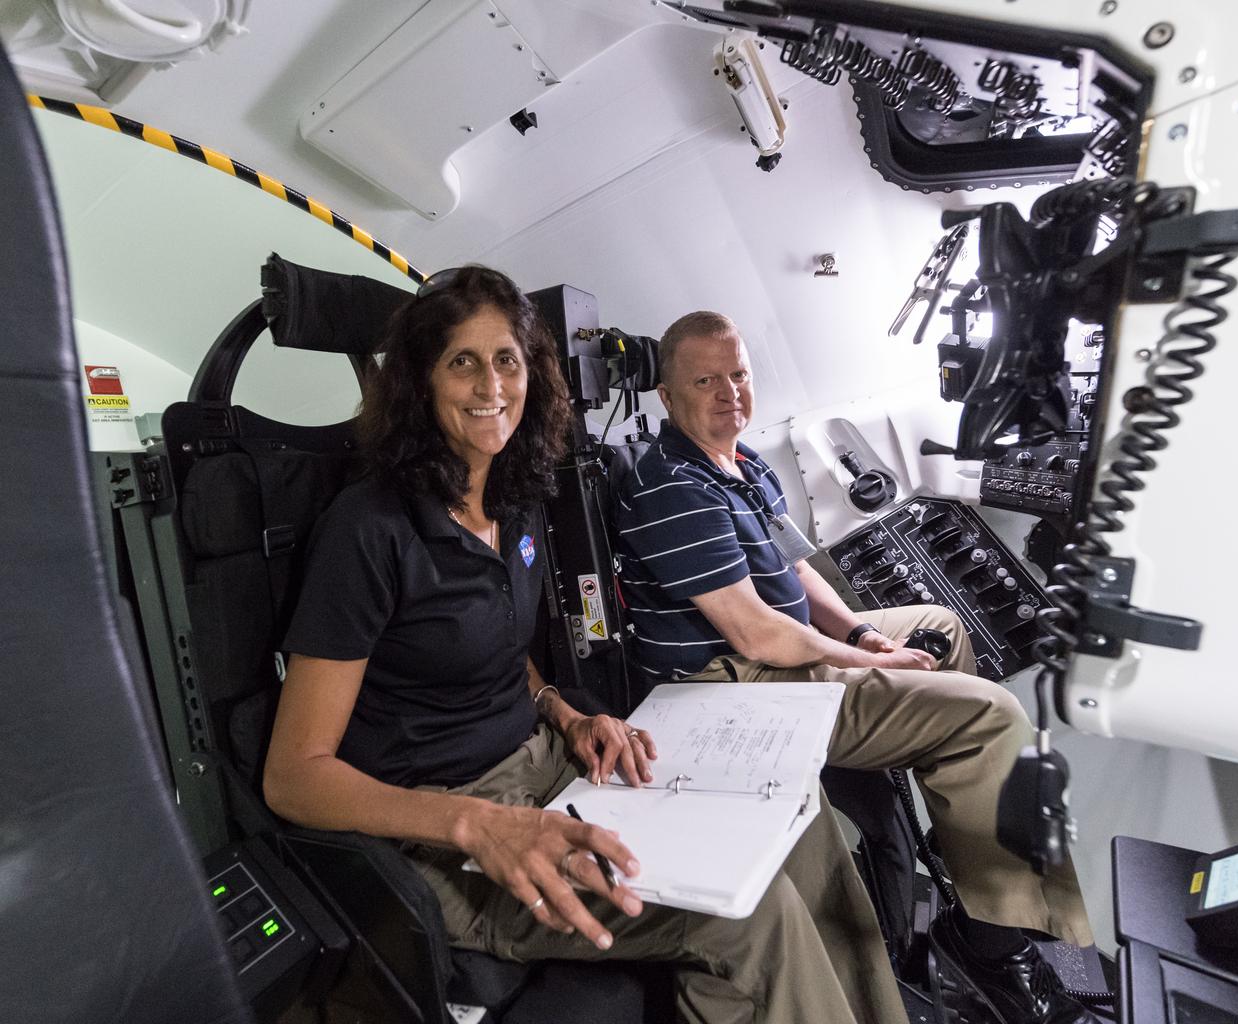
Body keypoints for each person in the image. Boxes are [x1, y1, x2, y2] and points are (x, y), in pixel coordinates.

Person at [263, 267, 908, 1024]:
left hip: (551, 767)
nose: (489, 385)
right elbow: (294, 778)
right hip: (444, 826)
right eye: (461, 361)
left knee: (803, 820)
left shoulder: (514, 501)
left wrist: (565, 714)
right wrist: (476, 823)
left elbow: (501, 651)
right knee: (748, 915)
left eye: (505, 360)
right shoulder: (368, 530)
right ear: (419, 382)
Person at [614, 310, 1102, 1024]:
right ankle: (993, 944)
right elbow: (758, 634)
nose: (730, 393)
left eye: (740, 374)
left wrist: (862, 633)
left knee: (938, 629)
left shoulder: (739, 461)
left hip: (780, 650)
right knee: (989, 714)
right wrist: (856, 653)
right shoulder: (670, 489)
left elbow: (794, 568)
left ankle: (967, 843)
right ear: (667, 394)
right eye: (706, 380)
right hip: (732, 683)